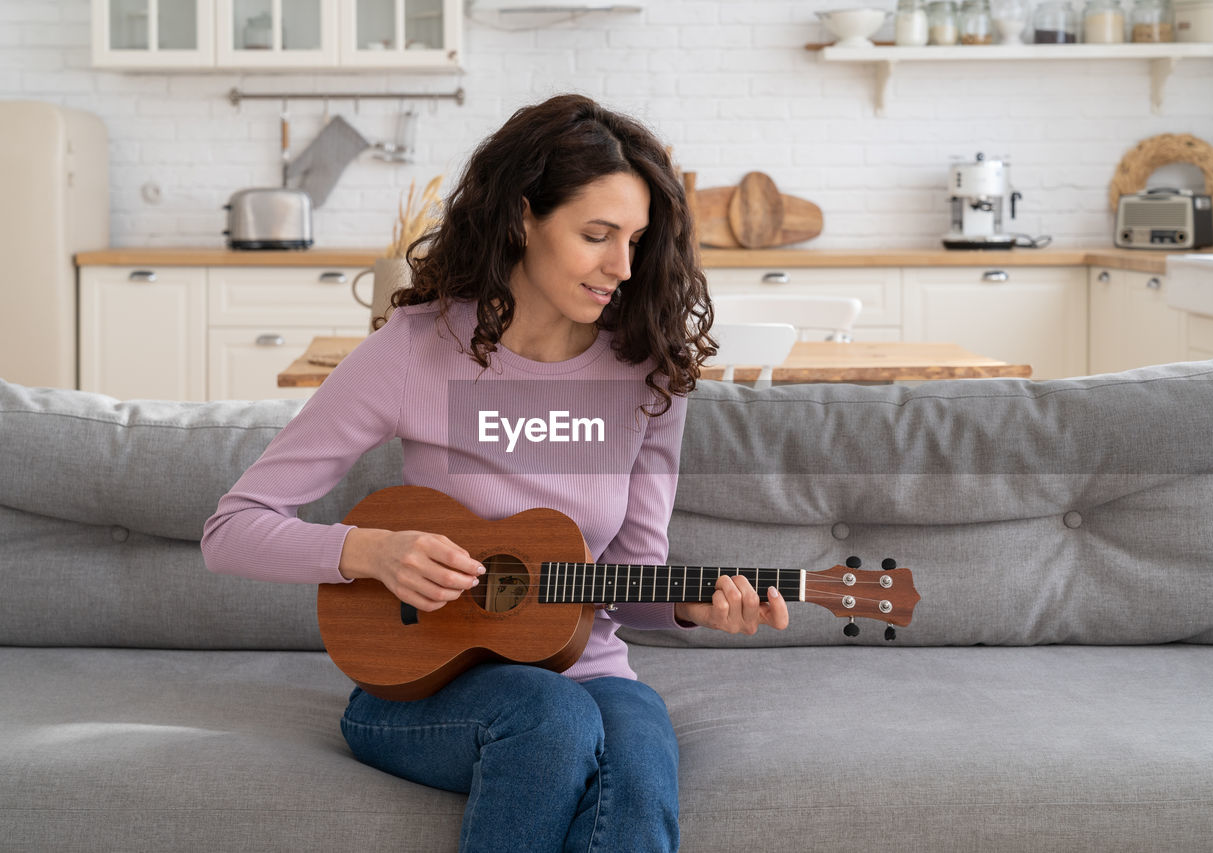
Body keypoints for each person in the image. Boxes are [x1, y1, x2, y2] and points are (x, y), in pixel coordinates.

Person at [201, 92, 790, 853]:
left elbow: (629, 577)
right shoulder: (416, 350)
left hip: (593, 670)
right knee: (551, 720)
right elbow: (230, 529)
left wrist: (689, 607)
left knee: (640, 771)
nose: (623, 265)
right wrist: (370, 551)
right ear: (521, 218)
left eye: (637, 239)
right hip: (423, 682)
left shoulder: (649, 373)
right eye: (597, 234)